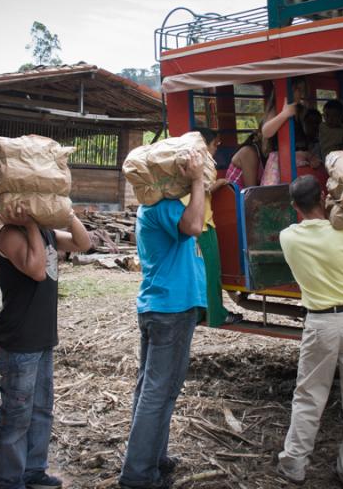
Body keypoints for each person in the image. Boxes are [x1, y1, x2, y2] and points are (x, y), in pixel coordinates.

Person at [275, 176, 343, 489]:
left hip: (319, 324)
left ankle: (293, 466)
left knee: (308, 397)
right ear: (323, 197)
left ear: (294, 207)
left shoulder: (287, 237)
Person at [119, 150, 208, 489]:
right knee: (159, 391)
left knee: (153, 388)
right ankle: (138, 475)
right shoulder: (166, 207)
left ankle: (153, 458)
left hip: (158, 306)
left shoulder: (150, 206)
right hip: (171, 310)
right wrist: (198, 179)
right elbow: (195, 225)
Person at [0, 204, 91, 489]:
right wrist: (31, 224)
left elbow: (84, 243)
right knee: (16, 415)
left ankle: (33, 472)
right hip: (19, 340)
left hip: (42, 337)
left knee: (41, 410)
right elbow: (36, 271)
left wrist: (68, 215)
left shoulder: (46, 232)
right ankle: (6, 481)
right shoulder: (9, 234)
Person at [182, 128, 243, 326]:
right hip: (204, 224)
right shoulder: (205, 164)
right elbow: (204, 188)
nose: (217, 147)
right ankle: (215, 314)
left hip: (187, 223)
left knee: (196, 272)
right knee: (211, 272)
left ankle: (198, 312)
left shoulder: (184, 164)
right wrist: (220, 184)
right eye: (215, 143)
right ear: (205, 145)